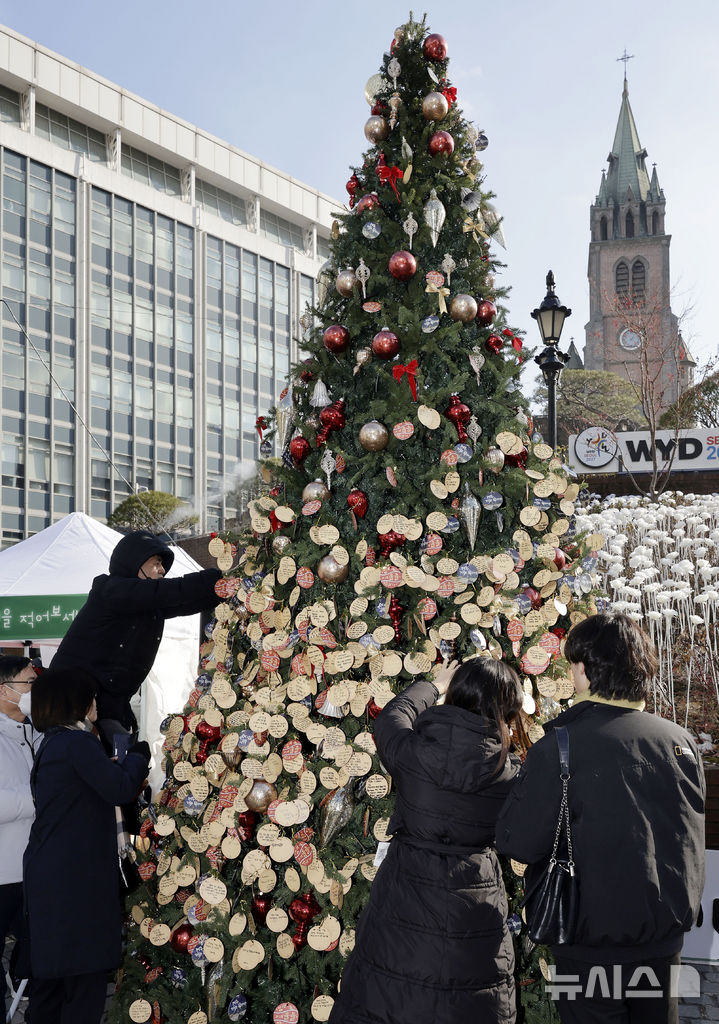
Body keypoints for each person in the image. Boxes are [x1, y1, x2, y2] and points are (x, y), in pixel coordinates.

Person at [496, 612, 705, 1024]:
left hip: (587, 946)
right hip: (663, 943)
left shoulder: (561, 746)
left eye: (574, 664)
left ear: (588, 670)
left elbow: (518, 841)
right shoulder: (679, 741)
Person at [329, 657, 524, 1024]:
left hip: (405, 885)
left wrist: (435, 684)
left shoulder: (415, 751)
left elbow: (390, 718)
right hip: (475, 893)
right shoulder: (509, 773)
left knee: (387, 994)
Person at [23, 667, 150, 1024]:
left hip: (54, 875)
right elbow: (121, 788)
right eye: (89, 697)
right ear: (73, 701)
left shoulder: (55, 741)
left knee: (53, 980)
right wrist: (139, 755)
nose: (95, 703)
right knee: (83, 979)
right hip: (75, 879)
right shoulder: (77, 743)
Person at [51, 529, 222, 740]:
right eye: (156, 563)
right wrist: (218, 578)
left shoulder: (144, 603)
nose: (162, 571)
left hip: (109, 707)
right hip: (72, 707)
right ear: (134, 562)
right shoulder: (111, 590)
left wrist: (225, 591)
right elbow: (174, 591)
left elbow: (186, 600)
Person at [0, 655, 38, 1011]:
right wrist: (39, 797)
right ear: (4, 690)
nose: (35, 691)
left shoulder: (33, 732)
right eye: (29, 683)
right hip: (2, 871)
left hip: (33, 866)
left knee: (33, 943)